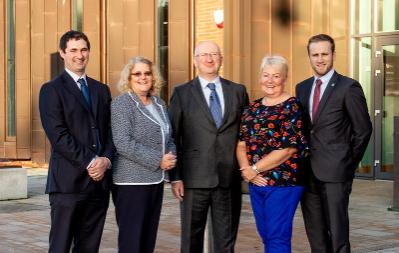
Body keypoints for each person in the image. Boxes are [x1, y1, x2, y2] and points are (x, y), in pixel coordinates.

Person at [168, 41, 249, 253]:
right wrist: (175, 176)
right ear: (195, 60)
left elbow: (245, 135)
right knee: (191, 241)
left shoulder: (238, 91)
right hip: (193, 179)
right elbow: (173, 137)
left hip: (228, 179)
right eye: (204, 55)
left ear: (221, 59)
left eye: (214, 54)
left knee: (225, 242)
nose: (209, 59)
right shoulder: (182, 93)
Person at [39, 30, 114, 253]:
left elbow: (111, 131)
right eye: (73, 50)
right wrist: (92, 162)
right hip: (67, 185)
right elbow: (58, 135)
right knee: (60, 246)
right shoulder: (51, 90)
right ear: (63, 53)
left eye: (83, 49)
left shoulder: (101, 90)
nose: (79, 55)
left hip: (98, 186)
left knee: (89, 247)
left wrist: (106, 161)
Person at [296, 34, 372, 253]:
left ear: (333, 55)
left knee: (338, 235)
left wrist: (348, 164)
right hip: (307, 173)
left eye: (324, 54)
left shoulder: (349, 87)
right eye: (315, 54)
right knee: (316, 235)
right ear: (309, 57)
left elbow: (363, 130)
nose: (320, 59)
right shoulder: (301, 88)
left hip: (336, 173)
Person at [236, 55, 308, 253]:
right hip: (255, 181)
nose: (270, 80)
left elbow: (288, 149)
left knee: (277, 236)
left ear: (285, 78)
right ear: (260, 77)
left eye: (276, 76)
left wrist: (254, 169)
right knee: (266, 234)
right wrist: (246, 171)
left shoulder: (292, 107)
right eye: (266, 75)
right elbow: (241, 143)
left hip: (283, 183)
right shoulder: (252, 108)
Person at [110, 56, 176, 253]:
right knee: (132, 241)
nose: (143, 77)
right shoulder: (122, 104)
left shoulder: (159, 103)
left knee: (148, 239)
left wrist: (171, 155)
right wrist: (158, 160)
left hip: (154, 181)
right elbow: (123, 143)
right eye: (137, 73)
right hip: (131, 183)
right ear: (128, 78)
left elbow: (168, 136)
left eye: (147, 73)